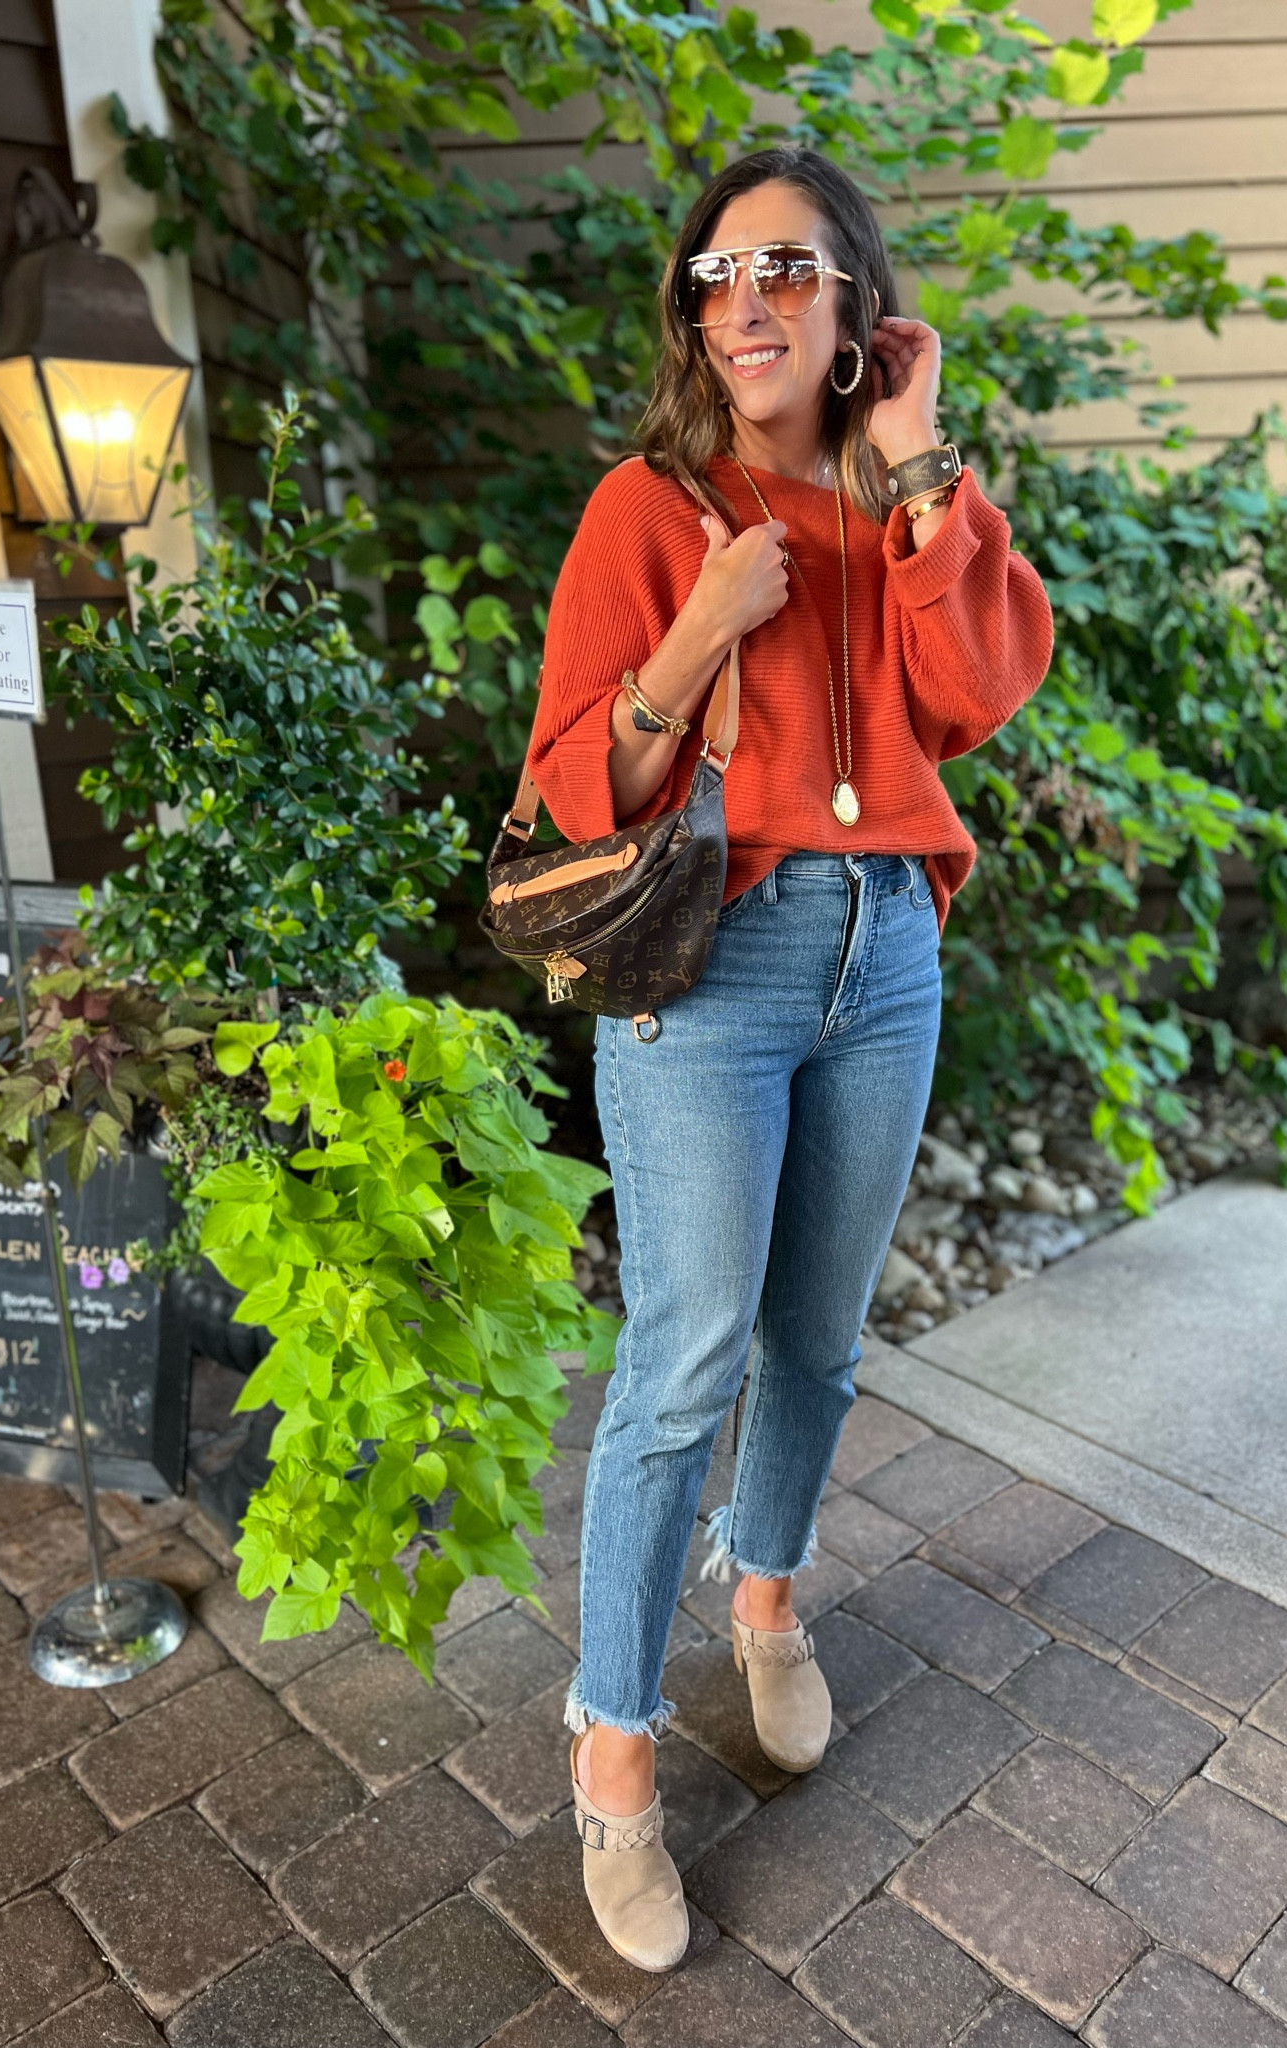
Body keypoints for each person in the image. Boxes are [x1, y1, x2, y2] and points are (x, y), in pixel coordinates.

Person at [526, 145, 1054, 1970]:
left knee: (817, 1338)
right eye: (714, 274)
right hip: (715, 966)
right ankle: (610, 1758)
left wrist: (919, 463)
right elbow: (564, 790)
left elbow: (977, 692)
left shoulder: (914, 500)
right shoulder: (645, 509)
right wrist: (696, 630)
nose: (741, 301)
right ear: (692, 311)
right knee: (679, 1362)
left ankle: (764, 1608)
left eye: (787, 270)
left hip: (883, 955)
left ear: (851, 309)